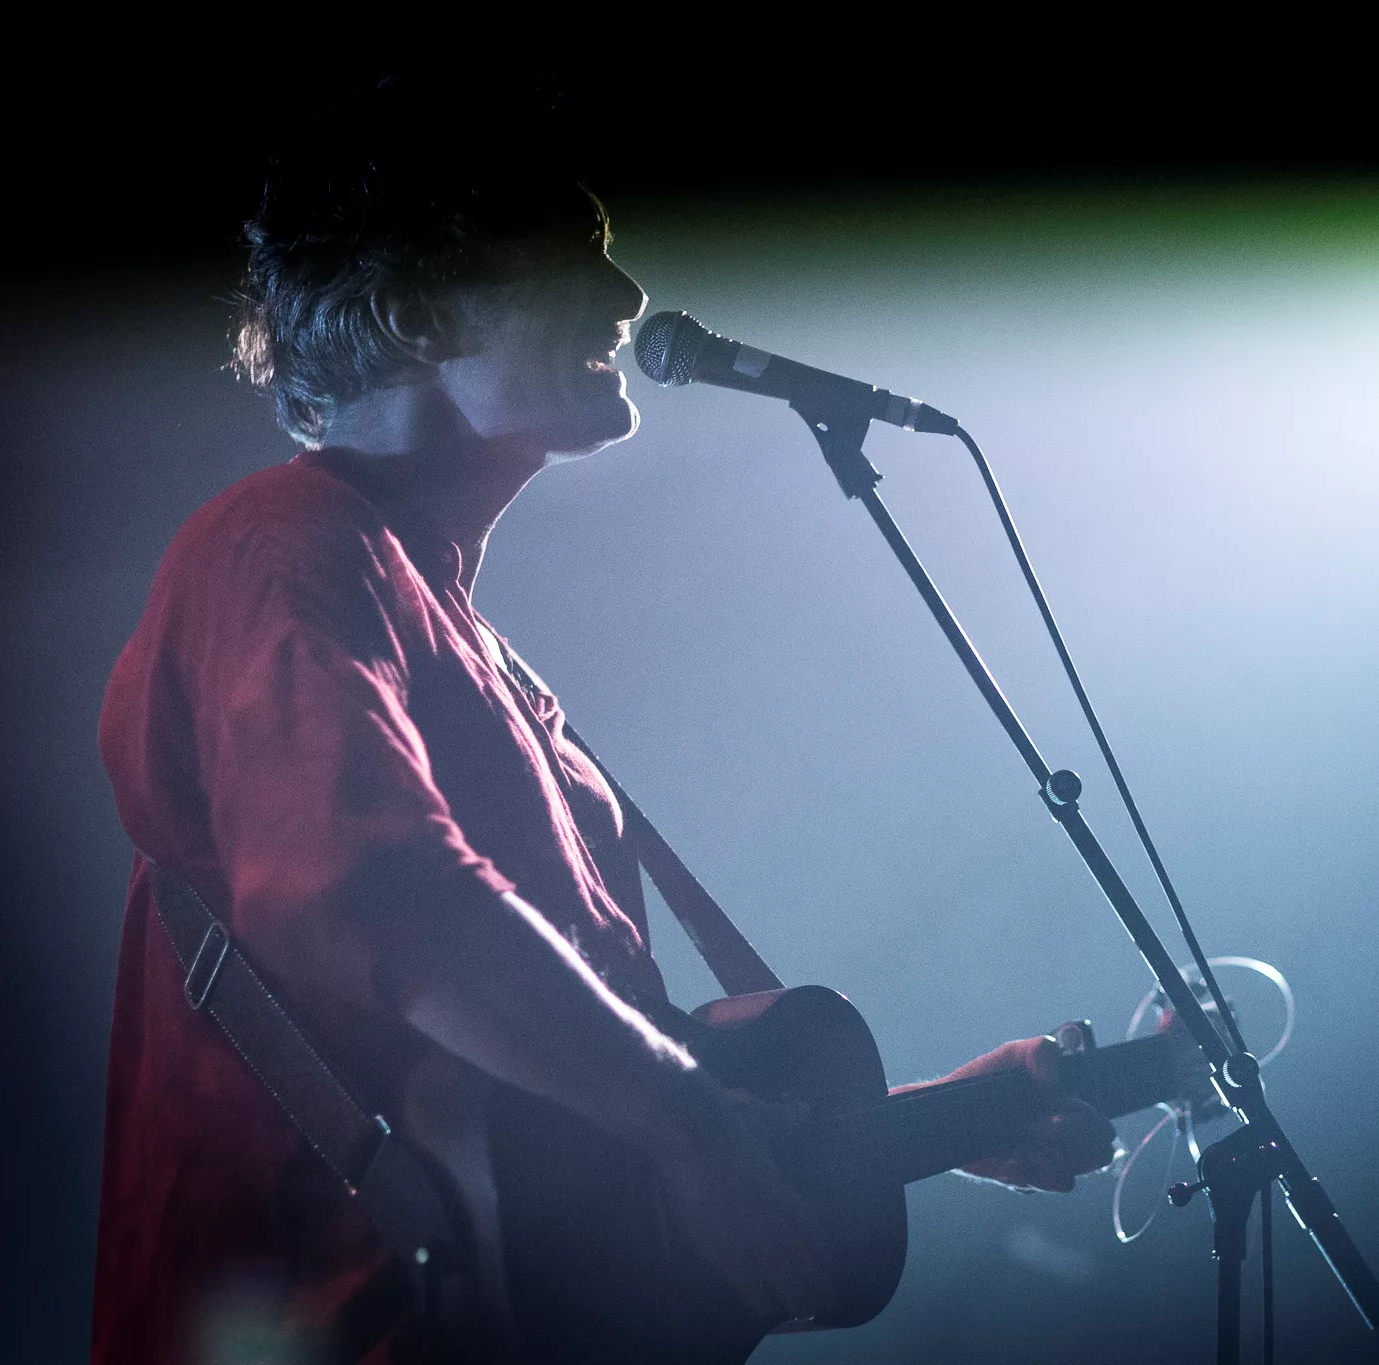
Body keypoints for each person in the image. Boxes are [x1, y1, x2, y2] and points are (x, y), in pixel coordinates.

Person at [92, 80, 1117, 1365]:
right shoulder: (279, 544)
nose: (628, 296)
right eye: (574, 250)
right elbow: (374, 892)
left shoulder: (488, 666)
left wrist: (921, 1125)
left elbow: (569, 1128)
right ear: (413, 312)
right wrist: (690, 1124)